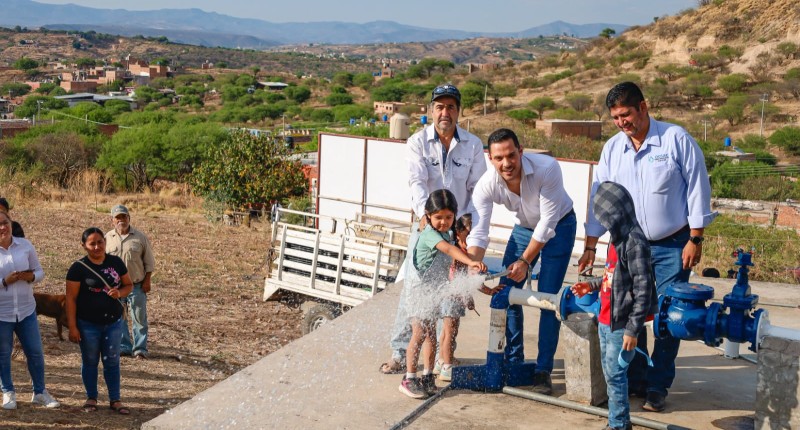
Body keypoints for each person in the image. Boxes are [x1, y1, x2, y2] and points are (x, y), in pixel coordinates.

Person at [579, 81, 716, 412]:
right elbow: (601, 198)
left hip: (673, 245)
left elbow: (699, 187)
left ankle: (657, 386)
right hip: (627, 247)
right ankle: (637, 379)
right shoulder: (612, 149)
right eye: (615, 117)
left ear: (644, 107)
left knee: (667, 317)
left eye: (626, 114)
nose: (622, 122)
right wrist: (591, 245)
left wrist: (695, 238)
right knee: (630, 314)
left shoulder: (674, 140)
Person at [381, 83, 487, 374]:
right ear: (431, 110)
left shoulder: (473, 145)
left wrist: (468, 224)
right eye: (440, 106)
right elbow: (415, 181)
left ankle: (444, 358)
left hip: (457, 230)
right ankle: (399, 353)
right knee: (414, 292)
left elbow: (478, 189)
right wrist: (424, 215)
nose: (445, 112)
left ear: (458, 112)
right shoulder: (417, 141)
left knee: (452, 294)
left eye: (451, 107)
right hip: (426, 228)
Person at [466, 128, 577, 395]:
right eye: (499, 158)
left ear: (521, 151)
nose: (506, 163)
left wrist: (525, 261)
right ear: (490, 159)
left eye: (511, 155)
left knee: (548, 298)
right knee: (506, 290)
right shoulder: (485, 185)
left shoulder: (547, 168)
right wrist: (471, 266)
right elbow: (480, 231)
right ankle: (514, 359)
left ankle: (542, 371)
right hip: (524, 228)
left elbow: (548, 223)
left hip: (559, 227)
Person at [571, 181, 657, 430]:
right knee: (610, 373)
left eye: (607, 219)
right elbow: (614, 276)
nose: (605, 225)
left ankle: (618, 424)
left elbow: (643, 290)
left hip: (621, 324)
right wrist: (592, 286)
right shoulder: (616, 239)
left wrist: (633, 329)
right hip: (606, 319)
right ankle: (620, 420)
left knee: (616, 375)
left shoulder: (635, 243)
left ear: (618, 214)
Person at [398, 189, 486, 399]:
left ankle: (428, 376)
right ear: (428, 215)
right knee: (419, 334)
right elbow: (447, 250)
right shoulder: (429, 234)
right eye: (438, 217)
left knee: (431, 337)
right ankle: (409, 378)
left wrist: (472, 272)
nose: (443, 222)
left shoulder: (447, 234)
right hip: (419, 292)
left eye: (448, 217)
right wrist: (471, 260)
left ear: (455, 215)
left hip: (433, 292)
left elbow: (451, 261)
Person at [66, 227, 134, 415]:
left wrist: (120, 292)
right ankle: (91, 397)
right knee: (90, 361)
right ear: (84, 246)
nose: (97, 247)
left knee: (112, 361)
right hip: (87, 324)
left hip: (113, 323)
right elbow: (70, 299)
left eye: (100, 242)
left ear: (105, 242)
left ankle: (115, 399)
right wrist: (72, 327)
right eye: (92, 243)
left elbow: (129, 285)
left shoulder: (116, 262)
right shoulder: (77, 268)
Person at [0, 211, 60, 410]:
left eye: (5, 222)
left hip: (26, 311)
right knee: (3, 354)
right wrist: (4, 281)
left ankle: (40, 392)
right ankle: (8, 392)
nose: (2, 227)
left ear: (11, 222)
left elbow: (40, 271)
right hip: (2, 314)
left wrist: (31, 277)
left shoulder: (25, 245)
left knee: (35, 353)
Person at [436, 213, 498, 382]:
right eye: (471, 228)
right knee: (450, 332)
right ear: (460, 230)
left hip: (453, 296)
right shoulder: (460, 252)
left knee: (447, 331)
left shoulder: (461, 249)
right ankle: (447, 368)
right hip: (452, 296)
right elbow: (469, 277)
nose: (473, 233)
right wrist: (488, 290)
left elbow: (467, 279)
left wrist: (472, 296)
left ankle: (441, 361)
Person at [105, 204, 155, 359]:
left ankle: (140, 348)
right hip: (116, 287)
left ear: (129, 218)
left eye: (124, 217)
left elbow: (149, 262)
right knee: (119, 318)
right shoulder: (107, 238)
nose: (121, 220)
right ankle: (124, 346)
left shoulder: (140, 237)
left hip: (136, 285)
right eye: (117, 217)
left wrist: (147, 281)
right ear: (112, 220)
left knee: (139, 318)